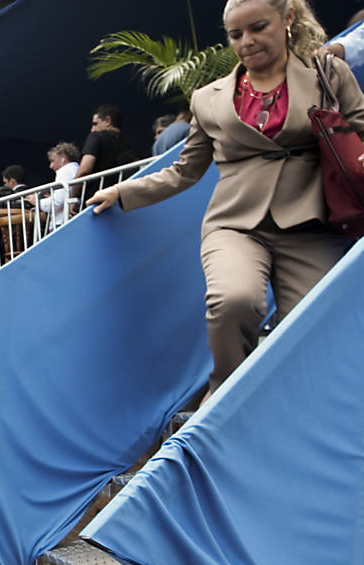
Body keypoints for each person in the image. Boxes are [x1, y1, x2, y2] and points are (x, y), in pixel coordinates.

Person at [87, 0, 364, 397]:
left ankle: (297, 407)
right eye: (235, 35)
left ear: (287, 18)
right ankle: (226, 403)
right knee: (234, 301)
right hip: (234, 225)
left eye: (257, 27)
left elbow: (360, 129)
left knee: (310, 327)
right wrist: (122, 191)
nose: (246, 41)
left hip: (311, 224)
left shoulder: (327, 73)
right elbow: (185, 171)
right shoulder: (208, 99)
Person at [73, 104, 140, 193]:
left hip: (96, 197)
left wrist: (72, 197)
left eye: (95, 124)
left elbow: (84, 170)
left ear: (108, 121)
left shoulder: (96, 137)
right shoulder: (131, 145)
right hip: (121, 196)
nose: (92, 129)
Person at [40, 142, 81, 229]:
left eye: (52, 161)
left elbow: (59, 201)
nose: (51, 166)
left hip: (61, 222)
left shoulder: (65, 171)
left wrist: (37, 202)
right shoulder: (76, 168)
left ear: (63, 158)